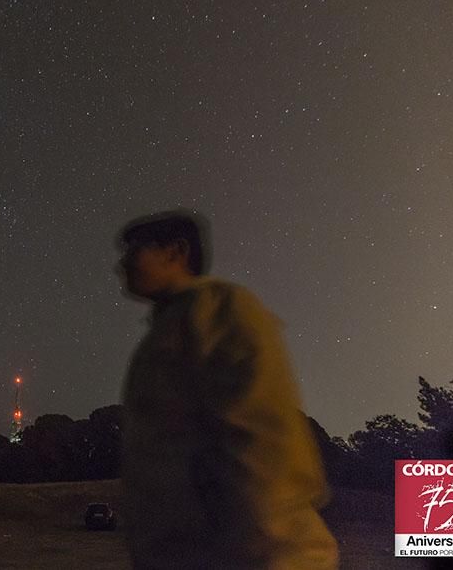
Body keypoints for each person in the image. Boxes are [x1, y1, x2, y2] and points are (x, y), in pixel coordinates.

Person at [116, 209, 339, 568]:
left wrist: (274, 552)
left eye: (135, 250)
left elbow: (263, 437)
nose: (122, 264)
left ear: (175, 252)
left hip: (255, 555)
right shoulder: (164, 331)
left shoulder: (221, 309)